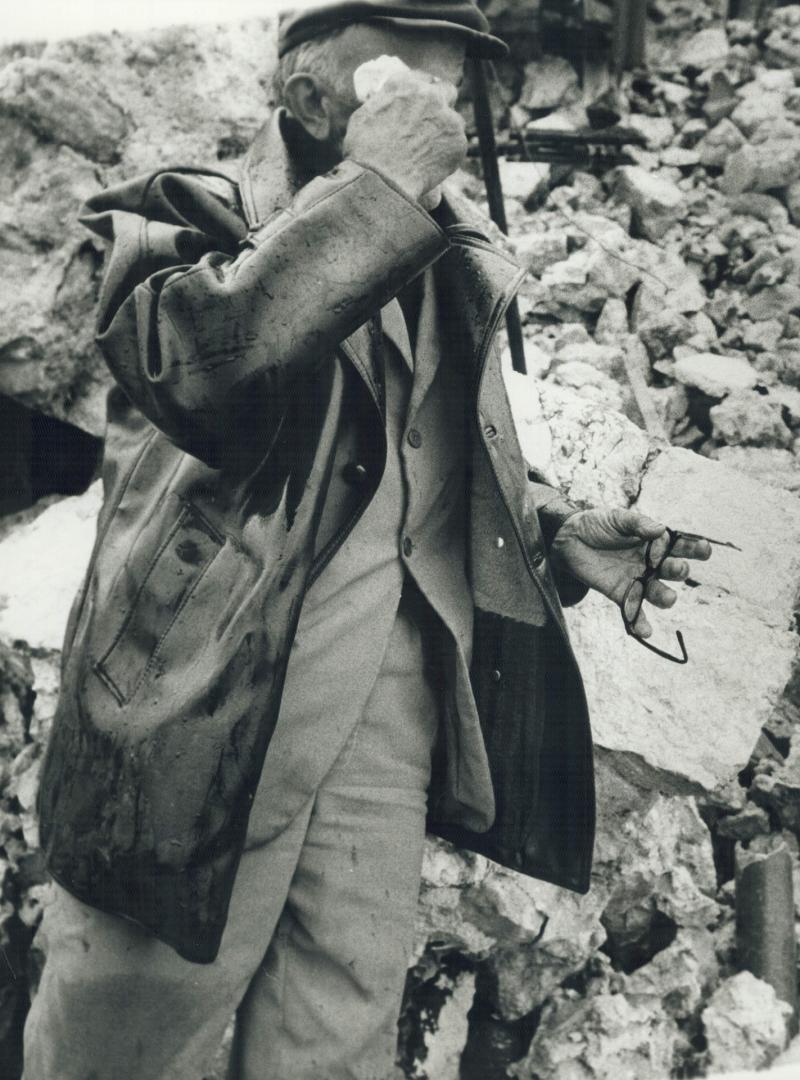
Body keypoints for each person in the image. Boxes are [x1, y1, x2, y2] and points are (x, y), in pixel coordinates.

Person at [23, 2, 711, 1077]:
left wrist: (549, 535)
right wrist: (374, 192)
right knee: (125, 1034)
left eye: (442, 86)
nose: (430, 110)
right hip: (202, 718)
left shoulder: (438, 252)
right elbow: (203, 374)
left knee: (332, 1036)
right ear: (305, 91)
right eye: (399, 76)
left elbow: (413, 464)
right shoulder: (176, 214)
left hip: (385, 720)